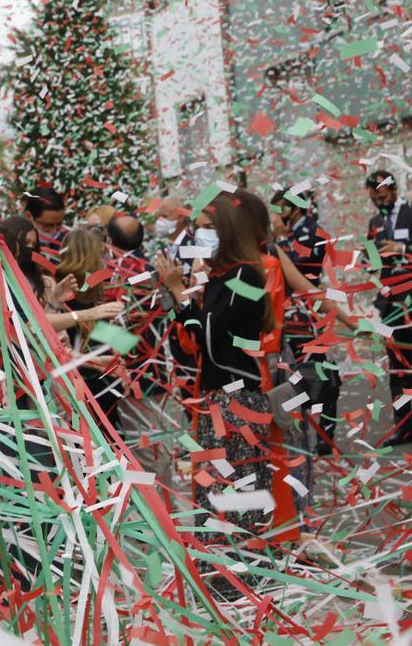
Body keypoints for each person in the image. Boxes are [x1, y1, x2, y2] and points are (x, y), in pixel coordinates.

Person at [156, 191, 277, 600]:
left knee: (239, 490)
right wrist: (181, 297)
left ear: (228, 229)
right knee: (218, 489)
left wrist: (179, 292)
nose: (199, 235)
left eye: (208, 228)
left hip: (237, 398)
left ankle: (244, 581)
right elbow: (201, 332)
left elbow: (209, 336)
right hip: (219, 395)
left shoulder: (245, 274)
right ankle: (224, 581)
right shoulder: (227, 276)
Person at [270, 189, 341, 455]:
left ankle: (325, 437)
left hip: (308, 314)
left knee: (321, 373)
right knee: (299, 374)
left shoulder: (312, 232)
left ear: (295, 209)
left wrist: (279, 245)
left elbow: (299, 270)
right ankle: (309, 432)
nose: (275, 216)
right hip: (289, 315)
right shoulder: (287, 236)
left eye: (280, 210)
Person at [56, 225, 126, 427]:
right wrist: (127, 343)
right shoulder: (76, 288)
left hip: (89, 375)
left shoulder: (65, 282)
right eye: (101, 254)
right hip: (89, 378)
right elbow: (93, 330)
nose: (105, 260)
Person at [365, 169, 412, 447]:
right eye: (375, 197)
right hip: (389, 305)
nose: (380, 200)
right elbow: (372, 263)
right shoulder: (374, 222)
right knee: (397, 369)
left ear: (394, 190)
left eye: (383, 194)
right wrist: (370, 258)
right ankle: (404, 428)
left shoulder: (410, 213)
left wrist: (402, 248)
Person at [23, 186, 68, 263]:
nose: (54, 231)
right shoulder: (15, 247)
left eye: (59, 224)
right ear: (29, 216)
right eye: (47, 225)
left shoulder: (67, 245)